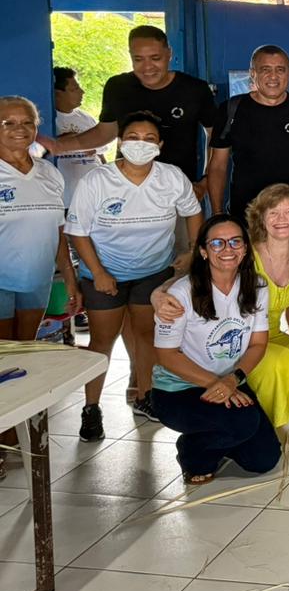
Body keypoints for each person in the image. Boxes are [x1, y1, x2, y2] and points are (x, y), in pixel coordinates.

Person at [67, 111, 202, 439]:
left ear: (160, 145)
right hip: (105, 274)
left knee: (147, 336)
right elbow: (78, 231)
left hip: (153, 272)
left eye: (149, 139)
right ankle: (91, 408)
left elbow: (193, 212)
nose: (141, 144)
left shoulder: (171, 177)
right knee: (102, 340)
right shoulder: (97, 181)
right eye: (133, 138)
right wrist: (98, 272)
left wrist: (191, 251)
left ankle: (145, 395)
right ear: (120, 142)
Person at [156, 184, 289, 430]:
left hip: (271, 332)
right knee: (278, 362)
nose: (281, 219)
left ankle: (270, 417)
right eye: (273, 213)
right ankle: (264, 424)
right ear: (261, 218)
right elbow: (187, 278)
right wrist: (157, 296)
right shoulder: (242, 250)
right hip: (243, 336)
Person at [151, 215, 280, 486]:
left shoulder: (257, 286)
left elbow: (258, 344)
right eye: (217, 243)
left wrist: (233, 380)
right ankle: (193, 452)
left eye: (235, 242)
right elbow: (167, 355)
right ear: (203, 251)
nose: (227, 249)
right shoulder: (181, 293)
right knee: (243, 422)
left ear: (245, 248)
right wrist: (215, 383)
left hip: (230, 380)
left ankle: (219, 435)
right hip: (179, 389)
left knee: (264, 460)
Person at [45, 26, 217, 207]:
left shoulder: (195, 89)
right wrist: (56, 146)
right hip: (125, 189)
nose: (148, 67)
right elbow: (106, 132)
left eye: (155, 58)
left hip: (178, 191)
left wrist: (206, 181)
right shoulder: (118, 87)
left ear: (169, 53)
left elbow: (215, 137)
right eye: (138, 59)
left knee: (182, 236)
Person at [207, 45, 289, 219]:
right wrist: (217, 214)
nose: (273, 77)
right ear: (252, 73)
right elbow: (218, 166)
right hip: (246, 215)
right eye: (265, 70)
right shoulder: (231, 109)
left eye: (280, 70)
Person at [0, 98, 81, 343]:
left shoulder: (49, 173)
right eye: (8, 123)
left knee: (26, 349)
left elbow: (57, 233)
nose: (20, 129)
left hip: (38, 280)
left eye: (27, 122)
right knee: (3, 355)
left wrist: (70, 280)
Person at [52, 67, 108, 208]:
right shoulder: (48, 121)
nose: (82, 92)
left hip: (92, 199)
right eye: (74, 89)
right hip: (64, 202)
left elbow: (100, 155)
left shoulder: (86, 119)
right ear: (57, 94)